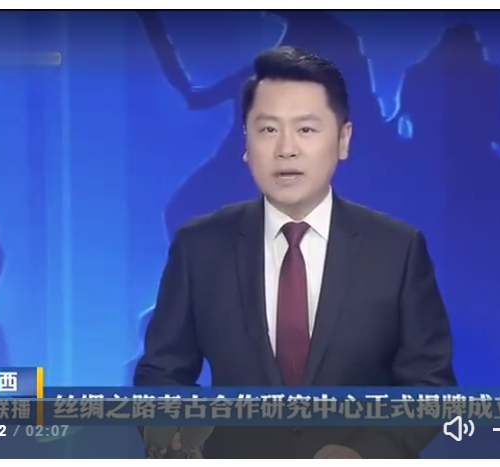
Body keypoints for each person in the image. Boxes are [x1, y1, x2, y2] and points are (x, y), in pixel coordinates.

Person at [134, 46, 456, 459]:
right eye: (268, 129)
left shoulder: (397, 249)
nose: (285, 149)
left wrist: (367, 453)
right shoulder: (200, 246)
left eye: (306, 129)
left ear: (343, 140)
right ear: (245, 143)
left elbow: (429, 387)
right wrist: (168, 436)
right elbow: (162, 373)